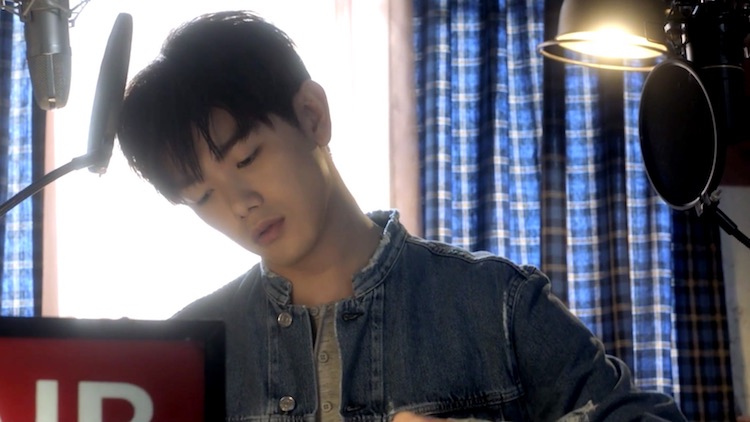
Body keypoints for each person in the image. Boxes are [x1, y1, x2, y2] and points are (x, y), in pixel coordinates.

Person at [116, 10, 687, 422]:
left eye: (247, 158)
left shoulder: (497, 303)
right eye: (203, 197)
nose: (239, 204)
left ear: (312, 116)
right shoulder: (190, 351)